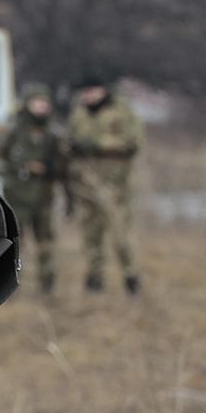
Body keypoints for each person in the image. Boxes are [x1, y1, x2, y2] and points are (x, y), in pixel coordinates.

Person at [67, 72, 144, 295]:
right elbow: (71, 142)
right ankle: (94, 280)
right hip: (85, 185)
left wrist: (98, 144)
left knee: (121, 235)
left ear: (102, 90)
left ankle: (131, 278)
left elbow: (133, 142)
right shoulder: (79, 114)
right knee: (90, 236)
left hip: (114, 185)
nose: (87, 96)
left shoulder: (121, 111)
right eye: (84, 92)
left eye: (91, 90)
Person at [0, 84, 66, 294]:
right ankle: (10, 285)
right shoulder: (12, 129)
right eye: (37, 103)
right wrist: (21, 168)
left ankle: (48, 285)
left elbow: (64, 164)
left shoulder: (54, 133)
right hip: (16, 196)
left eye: (44, 103)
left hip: (44, 196)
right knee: (16, 243)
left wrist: (48, 169)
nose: (41, 107)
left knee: (46, 242)